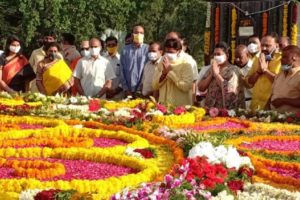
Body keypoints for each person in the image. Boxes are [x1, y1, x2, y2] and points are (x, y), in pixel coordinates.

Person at [198, 42, 244, 109]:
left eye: (219, 54)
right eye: (215, 54)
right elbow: (201, 88)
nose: (216, 56)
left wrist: (216, 74)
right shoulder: (212, 68)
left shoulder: (234, 70)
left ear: (227, 55)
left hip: (226, 111)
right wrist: (211, 74)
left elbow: (228, 91)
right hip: (210, 109)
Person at [152, 39, 193, 106]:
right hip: (163, 106)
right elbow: (154, 85)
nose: (168, 54)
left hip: (180, 108)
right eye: (167, 52)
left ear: (179, 51)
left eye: (171, 52)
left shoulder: (186, 64)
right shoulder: (161, 63)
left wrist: (170, 72)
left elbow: (186, 86)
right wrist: (163, 74)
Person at [246, 35, 281, 111]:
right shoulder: (257, 59)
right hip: (255, 106)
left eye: (268, 46)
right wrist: (258, 72)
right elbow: (249, 82)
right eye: (262, 45)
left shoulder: (281, 60)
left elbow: (280, 83)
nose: (264, 48)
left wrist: (265, 70)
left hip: (271, 108)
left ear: (276, 45)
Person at [165, 32, 198, 105]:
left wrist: (193, 100)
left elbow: (193, 83)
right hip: (164, 103)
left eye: (173, 40)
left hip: (182, 104)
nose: (171, 42)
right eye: (168, 40)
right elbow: (155, 85)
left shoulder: (188, 60)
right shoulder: (163, 59)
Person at [120, 25, 148, 97]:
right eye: (136, 32)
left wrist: (139, 89)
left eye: (141, 33)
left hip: (142, 90)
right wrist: (126, 89)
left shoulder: (148, 49)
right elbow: (121, 70)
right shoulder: (125, 50)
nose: (139, 35)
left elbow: (147, 70)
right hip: (127, 91)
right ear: (132, 35)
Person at [271, 45, 300, 113]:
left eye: (285, 57)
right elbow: (273, 95)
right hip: (274, 118)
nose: (281, 59)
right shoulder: (280, 75)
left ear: (294, 58)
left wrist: (283, 101)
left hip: (293, 121)